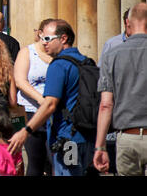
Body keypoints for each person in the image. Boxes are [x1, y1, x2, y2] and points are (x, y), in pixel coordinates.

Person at [8, 19, 95, 176]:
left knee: (66, 171)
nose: (44, 43)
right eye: (42, 38)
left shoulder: (59, 65)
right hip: (86, 136)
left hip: (67, 137)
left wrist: (26, 130)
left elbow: (50, 104)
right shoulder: (85, 61)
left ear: (63, 39)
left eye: (48, 38)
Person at [93, 2, 147, 176]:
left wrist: (100, 145)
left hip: (127, 137)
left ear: (128, 24)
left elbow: (106, 105)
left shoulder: (112, 55)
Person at [13, 19, 55, 176]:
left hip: (54, 112)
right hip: (31, 111)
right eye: (46, 36)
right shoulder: (27, 52)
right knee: (36, 159)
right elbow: (20, 81)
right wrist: (41, 99)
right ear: (40, 33)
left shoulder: (58, 54)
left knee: (54, 160)